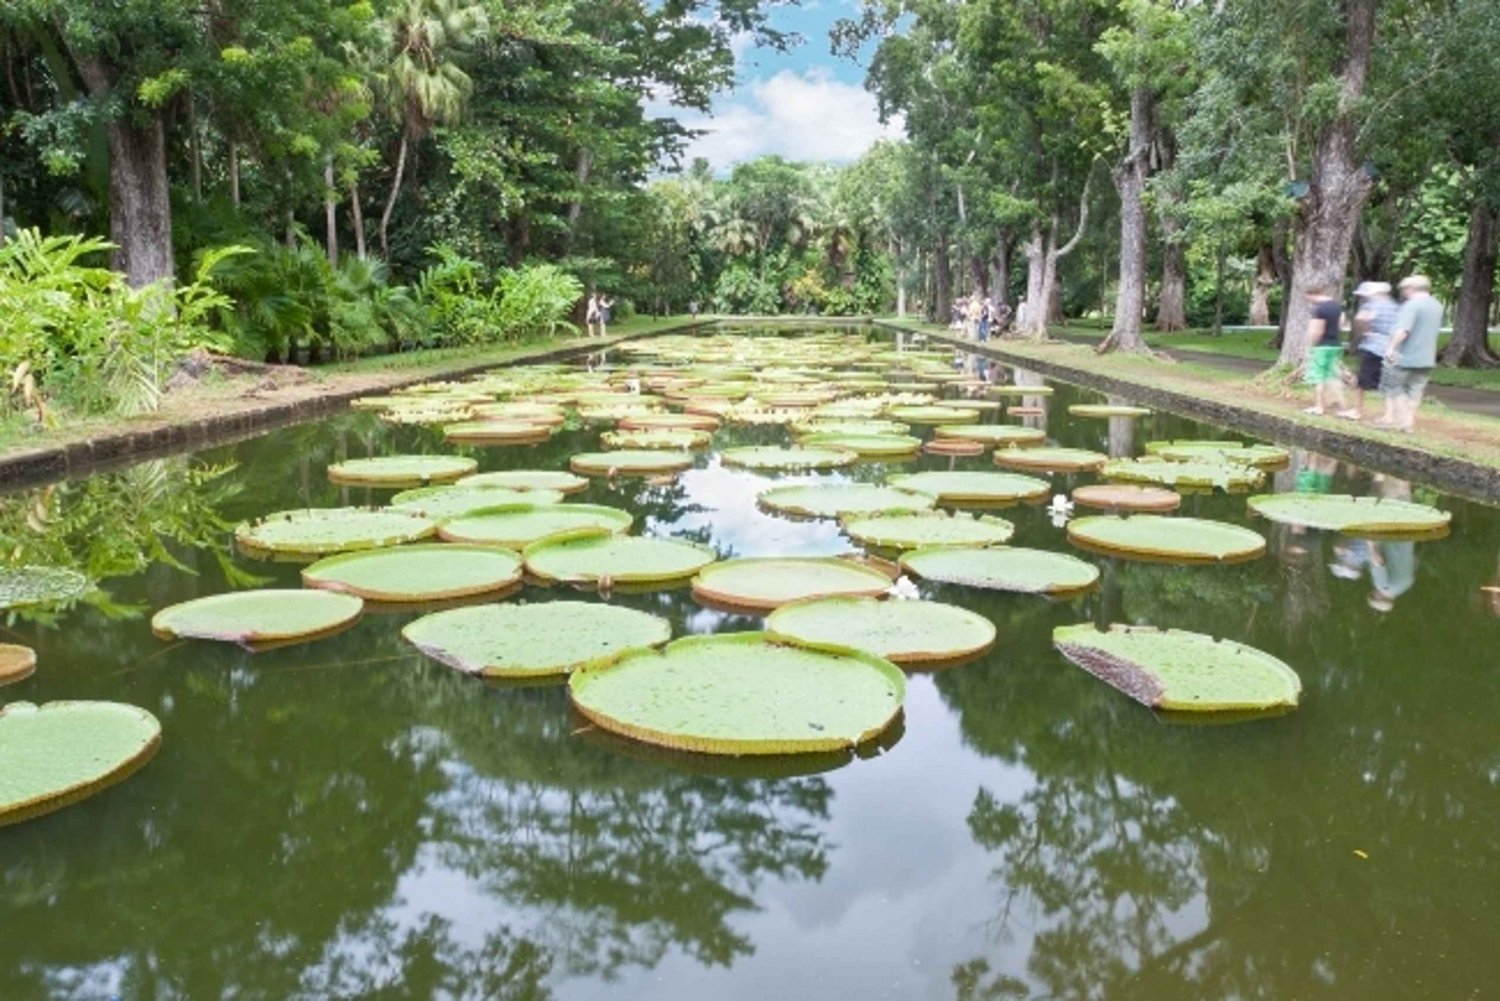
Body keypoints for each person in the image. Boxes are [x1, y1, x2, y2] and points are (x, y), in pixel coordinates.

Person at [1378, 274, 1442, 433]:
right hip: (1427, 357)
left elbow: (1403, 330)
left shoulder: (1412, 305)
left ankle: (1403, 421)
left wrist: (1391, 348)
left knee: (1394, 387)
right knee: (1415, 390)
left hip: (1405, 355)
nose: (1403, 292)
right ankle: (1409, 421)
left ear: (1411, 289)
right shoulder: (1437, 306)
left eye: (1404, 289)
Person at [1301, 285, 1355, 417]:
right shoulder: (1337, 306)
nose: (1309, 302)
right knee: (1332, 375)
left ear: (1312, 295)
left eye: (1308, 299)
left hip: (1322, 346)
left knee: (1319, 376)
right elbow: (1342, 324)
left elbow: (1317, 330)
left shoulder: (1320, 309)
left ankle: (1319, 406)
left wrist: (1309, 347)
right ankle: (1342, 407)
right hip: (1335, 345)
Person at [1350, 281, 1396, 419]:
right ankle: (1389, 414)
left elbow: (1362, 318)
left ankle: (1357, 410)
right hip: (1388, 347)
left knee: (1362, 381)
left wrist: (1366, 332)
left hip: (1373, 346)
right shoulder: (1394, 306)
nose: (1362, 298)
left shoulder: (1372, 304)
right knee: (1387, 383)